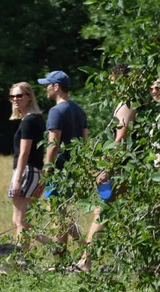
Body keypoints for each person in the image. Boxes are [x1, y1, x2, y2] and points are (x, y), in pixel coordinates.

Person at [77, 64, 139, 271]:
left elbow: (120, 138)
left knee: (101, 211)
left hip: (120, 167)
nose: (111, 83)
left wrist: (106, 168)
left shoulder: (126, 105)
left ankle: (85, 261)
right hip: (123, 166)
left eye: (113, 79)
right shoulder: (128, 103)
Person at [39, 70, 87, 248]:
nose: (45, 89)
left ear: (56, 87)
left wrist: (46, 169)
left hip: (58, 168)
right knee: (63, 213)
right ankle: (83, 250)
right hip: (73, 168)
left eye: (47, 85)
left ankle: (59, 260)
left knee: (57, 214)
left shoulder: (56, 111)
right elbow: (85, 140)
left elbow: (53, 143)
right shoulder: (79, 110)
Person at [7, 82, 45, 245]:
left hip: (26, 171)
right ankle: (26, 258)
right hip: (35, 171)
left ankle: (55, 248)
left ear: (29, 97)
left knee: (20, 222)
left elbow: (24, 152)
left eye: (19, 95)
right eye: (12, 96)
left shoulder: (29, 121)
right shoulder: (35, 119)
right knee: (21, 221)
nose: (15, 99)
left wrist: (17, 179)